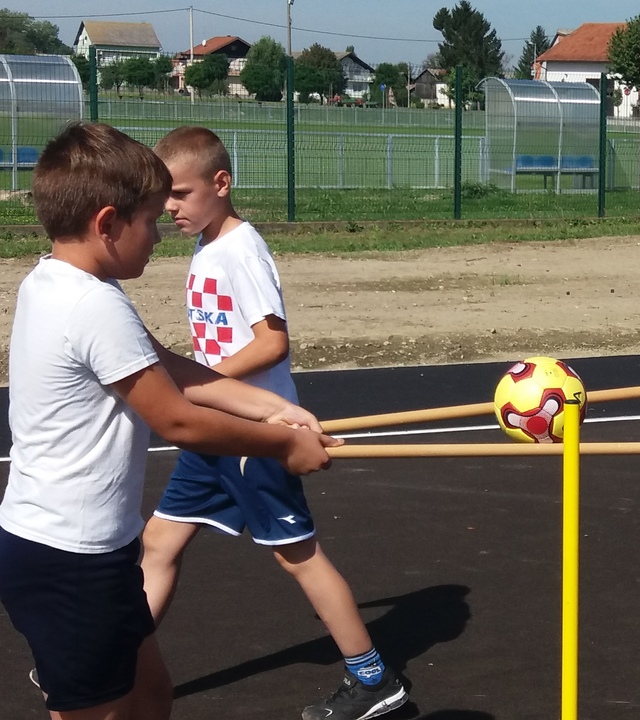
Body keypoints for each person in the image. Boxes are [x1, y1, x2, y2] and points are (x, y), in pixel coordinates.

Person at [0, 122, 339, 720]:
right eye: (151, 220)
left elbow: (173, 369)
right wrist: (281, 447)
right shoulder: (92, 304)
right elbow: (178, 420)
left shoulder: (56, 280)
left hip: (89, 548)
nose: (159, 236)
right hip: (70, 557)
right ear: (108, 223)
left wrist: (275, 408)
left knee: (151, 693)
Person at [139, 126, 408, 720]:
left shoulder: (241, 249)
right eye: (164, 197)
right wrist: (204, 391)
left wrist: (202, 381)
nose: (169, 208)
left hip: (253, 436)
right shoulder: (208, 245)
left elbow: (272, 343)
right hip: (215, 430)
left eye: (180, 193)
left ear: (221, 183)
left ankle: (372, 677)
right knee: (158, 542)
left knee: (297, 555)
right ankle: (109, 655)